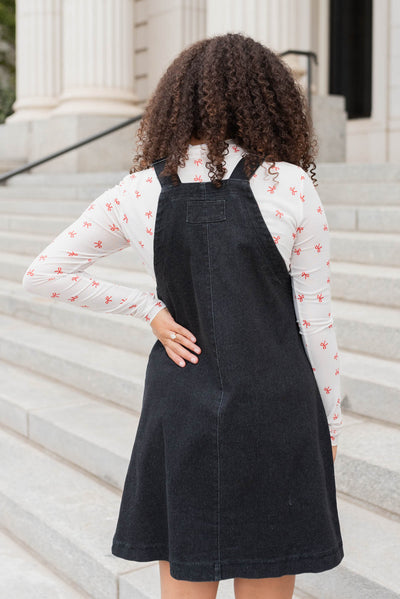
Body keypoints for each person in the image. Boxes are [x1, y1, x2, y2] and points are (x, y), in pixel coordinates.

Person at [22, 32, 344, 599]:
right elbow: (315, 320)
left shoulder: (137, 192)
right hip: (278, 405)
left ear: (178, 99)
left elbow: (44, 272)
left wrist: (148, 308)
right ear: (267, 100)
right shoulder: (290, 184)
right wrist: (330, 423)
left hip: (183, 404)